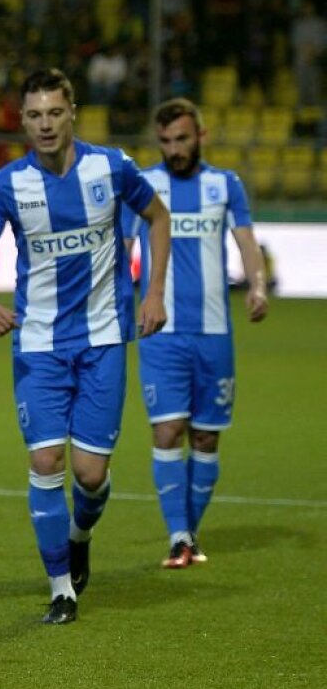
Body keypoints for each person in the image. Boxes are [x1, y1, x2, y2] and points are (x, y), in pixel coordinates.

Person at [0, 69, 172, 625]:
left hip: (104, 339)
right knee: (45, 460)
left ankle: (79, 536)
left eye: (55, 112)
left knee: (91, 476)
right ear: (22, 121)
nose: (45, 124)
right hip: (38, 345)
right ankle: (61, 589)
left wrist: (153, 293)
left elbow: (158, 217)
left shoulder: (112, 167)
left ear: (72, 112)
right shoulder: (7, 185)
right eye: (35, 115)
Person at [122, 98, 268, 569]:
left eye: (182, 139)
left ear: (201, 136)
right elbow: (123, 246)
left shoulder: (225, 185)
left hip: (213, 332)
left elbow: (246, 241)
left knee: (205, 438)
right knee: (167, 430)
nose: (174, 149)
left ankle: (189, 533)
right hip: (160, 331)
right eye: (166, 141)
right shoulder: (144, 185)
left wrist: (258, 286)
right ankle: (178, 536)